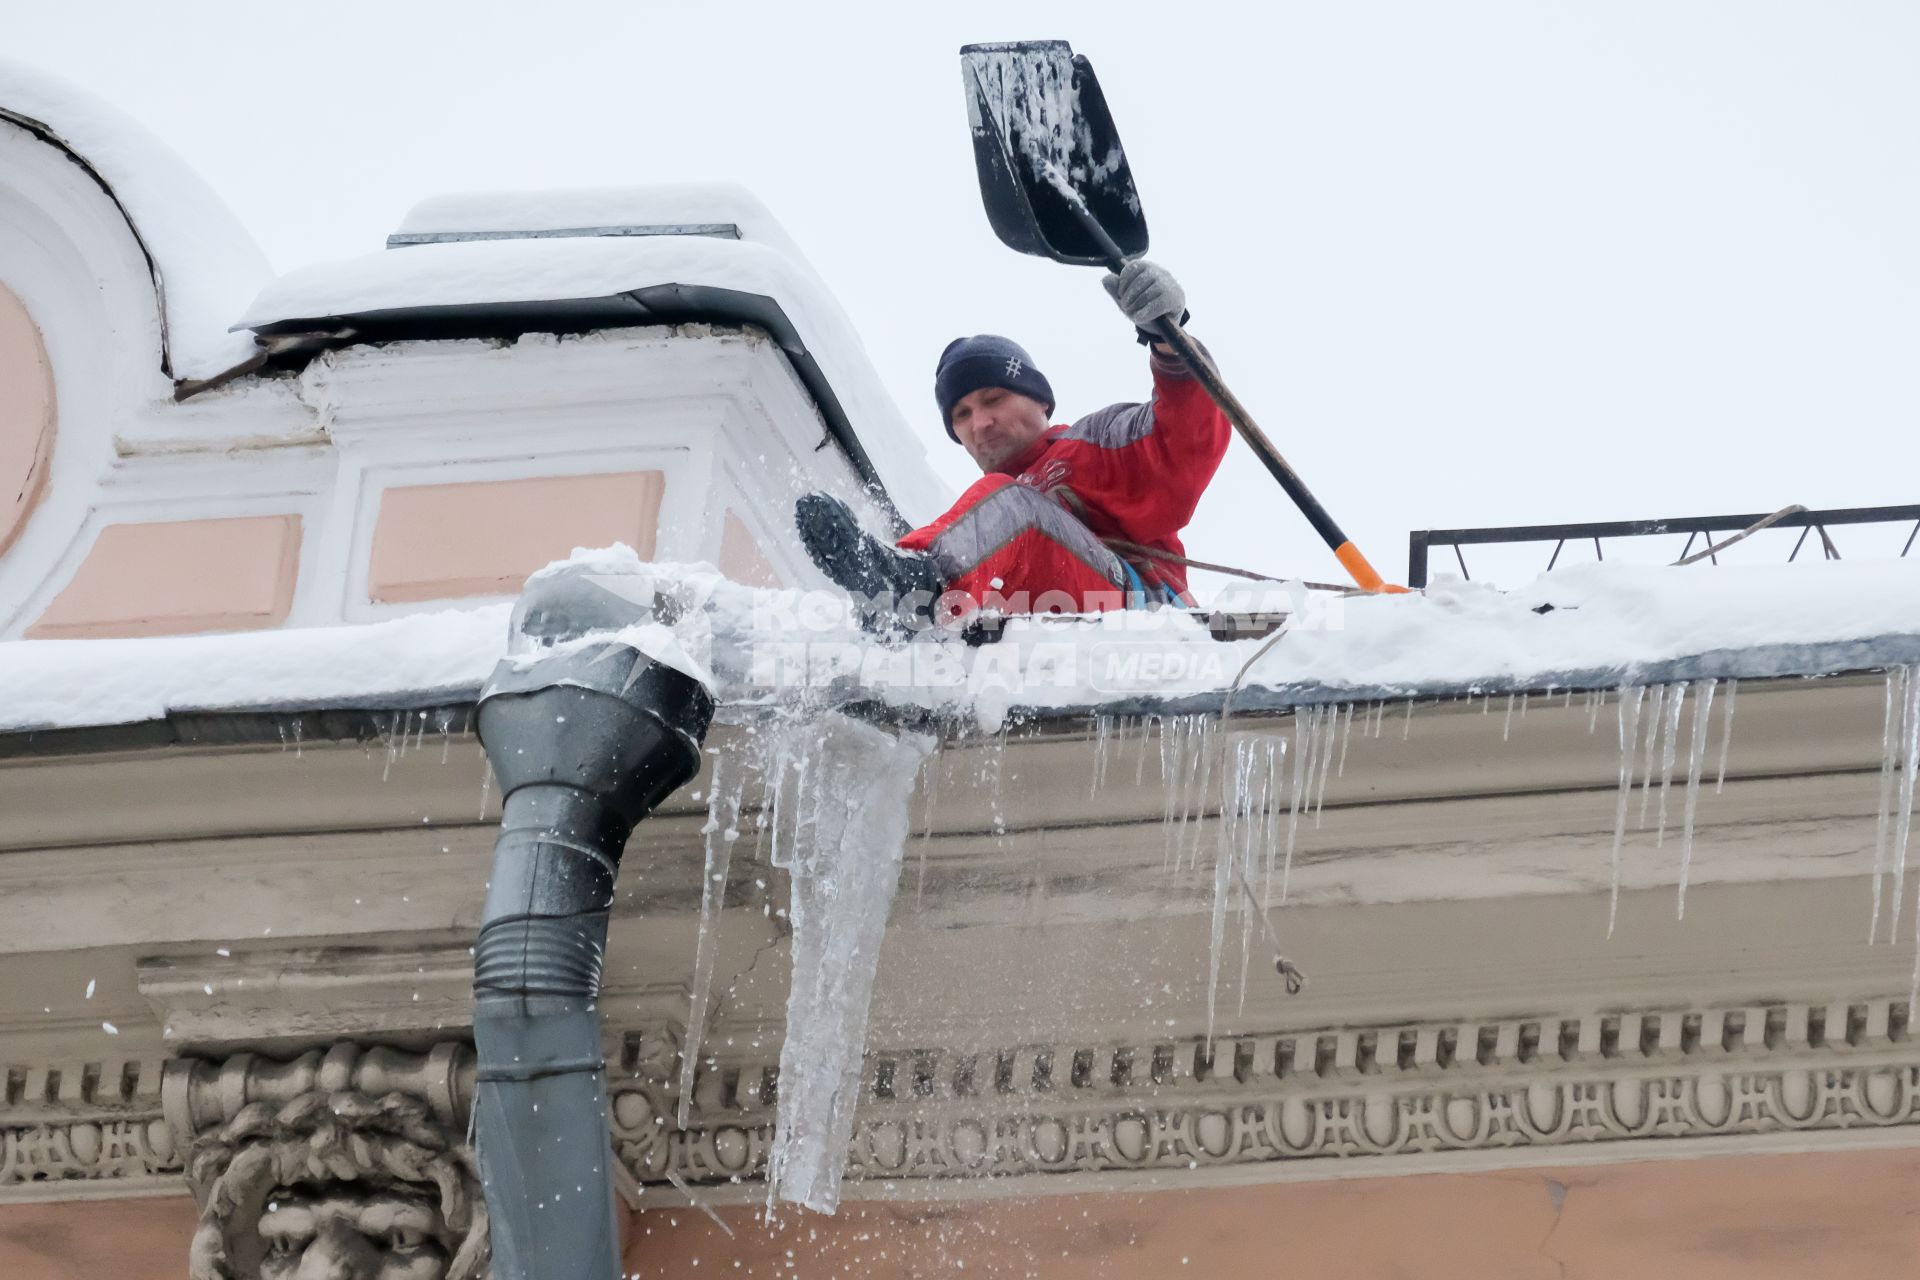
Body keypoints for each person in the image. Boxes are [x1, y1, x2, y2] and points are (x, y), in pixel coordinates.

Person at [796, 260, 1230, 625]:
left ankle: (911, 590)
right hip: (1037, 628)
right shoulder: (976, 521)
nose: (979, 423)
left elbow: (1185, 437)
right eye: (961, 415)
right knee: (987, 514)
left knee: (1007, 508)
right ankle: (894, 611)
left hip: (1141, 617)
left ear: (1042, 400)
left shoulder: (1092, 442)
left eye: (994, 399)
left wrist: (1169, 341)